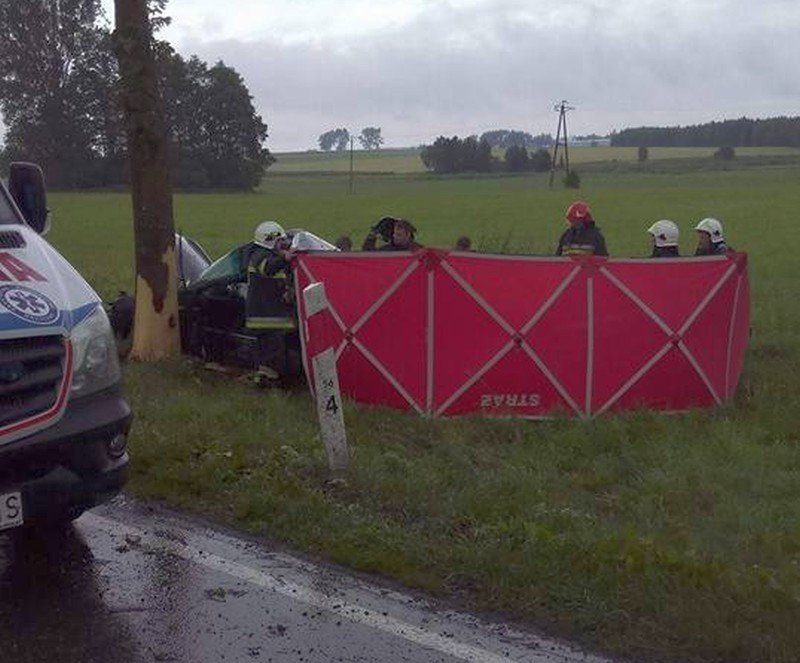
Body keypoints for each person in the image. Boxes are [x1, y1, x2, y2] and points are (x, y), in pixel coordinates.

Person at [245, 221, 297, 382]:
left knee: (276, 347)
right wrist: (286, 258)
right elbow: (267, 268)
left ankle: (271, 377)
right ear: (270, 240)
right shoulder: (259, 256)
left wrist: (288, 291)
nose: (284, 244)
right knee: (271, 349)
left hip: (271, 313)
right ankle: (267, 381)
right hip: (266, 315)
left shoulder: (268, 255)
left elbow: (278, 281)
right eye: (280, 241)